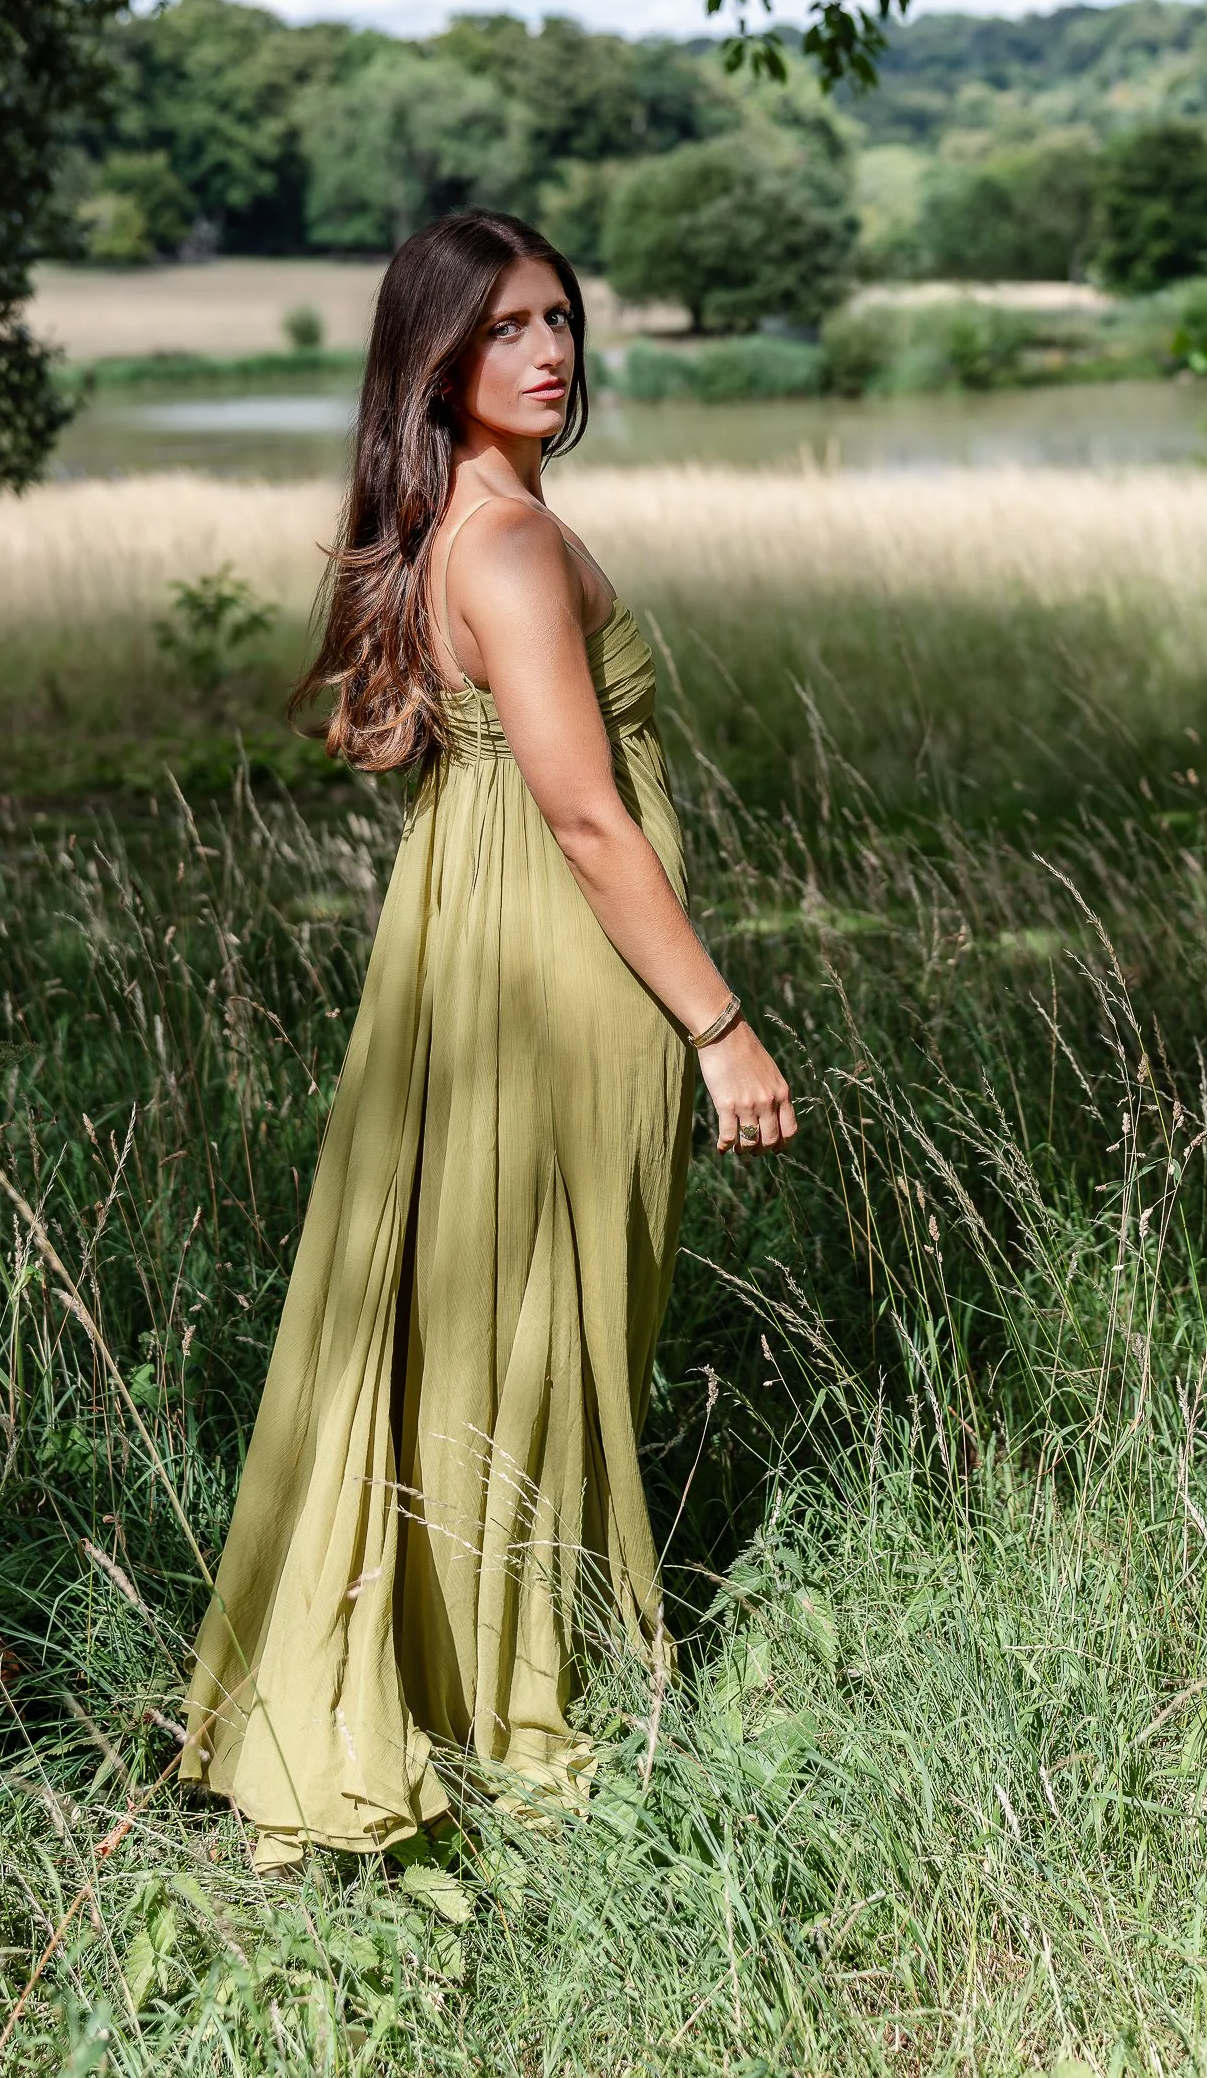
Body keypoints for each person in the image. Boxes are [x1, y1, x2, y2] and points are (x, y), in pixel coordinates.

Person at [181, 210, 796, 1866]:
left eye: (558, 318)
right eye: (506, 327)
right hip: (558, 960)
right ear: (436, 363)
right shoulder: (511, 546)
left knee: (482, 1295)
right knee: (553, 1309)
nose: (547, 349)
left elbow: (411, 740)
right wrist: (721, 1026)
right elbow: (591, 820)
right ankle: (513, 1694)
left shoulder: (460, 521)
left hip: (467, 942)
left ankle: (462, 1664)